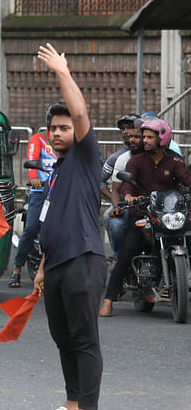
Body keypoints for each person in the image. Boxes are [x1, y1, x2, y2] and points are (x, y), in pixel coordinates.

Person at [32, 44, 107, 410]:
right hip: (57, 265)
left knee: (83, 340)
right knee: (62, 339)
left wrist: (63, 70)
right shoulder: (56, 173)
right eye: (54, 129)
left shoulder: (85, 155)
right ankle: (73, 402)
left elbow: (79, 111)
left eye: (65, 127)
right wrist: (42, 269)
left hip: (83, 260)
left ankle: (88, 407)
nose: (60, 132)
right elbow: (50, 222)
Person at [99, 118, 191, 317]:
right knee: (127, 252)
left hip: (168, 215)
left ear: (162, 138)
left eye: (150, 137)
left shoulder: (174, 160)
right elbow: (127, 184)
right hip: (143, 214)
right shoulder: (136, 160)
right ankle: (109, 300)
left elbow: (185, 177)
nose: (145, 140)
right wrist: (129, 196)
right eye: (144, 136)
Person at [8, 124, 55, 287]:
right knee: (32, 228)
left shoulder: (71, 140)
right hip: (40, 191)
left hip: (61, 192)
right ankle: (17, 269)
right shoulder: (39, 138)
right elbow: (32, 160)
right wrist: (34, 178)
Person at [102, 123, 143, 259]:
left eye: (137, 136)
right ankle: (120, 258)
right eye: (130, 136)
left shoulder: (159, 156)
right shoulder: (120, 159)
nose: (132, 140)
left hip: (153, 205)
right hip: (128, 204)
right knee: (113, 221)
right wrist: (117, 206)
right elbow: (115, 189)